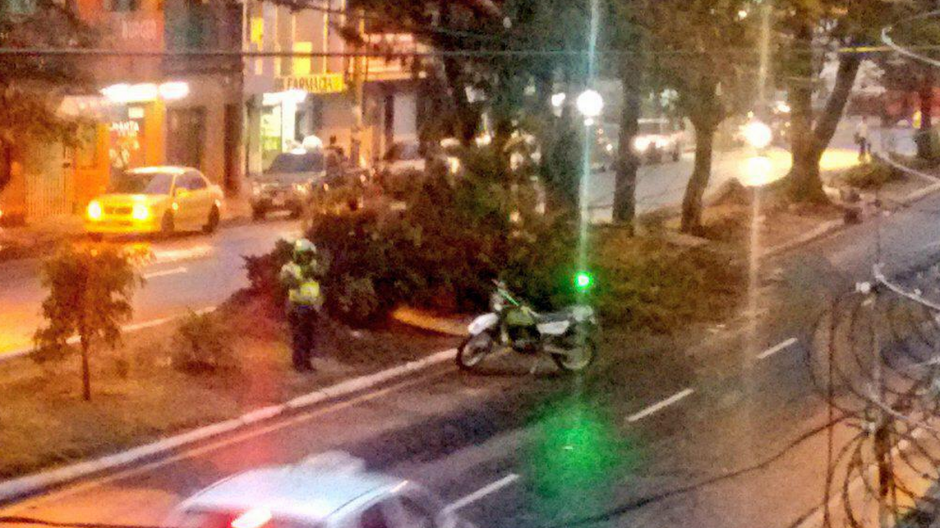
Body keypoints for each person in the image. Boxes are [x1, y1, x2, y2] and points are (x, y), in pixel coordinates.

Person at [279, 239, 325, 372]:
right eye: (305, 254)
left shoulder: (313, 266)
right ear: (298, 254)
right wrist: (302, 277)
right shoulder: (289, 268)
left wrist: (314, 272)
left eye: (309, 255)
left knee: (310, 337)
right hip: (297, 307)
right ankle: (298, 364)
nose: (307, 257)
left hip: (311, 307)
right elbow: (287, 282)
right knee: (299, 336)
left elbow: (321, 275)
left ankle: (307, 362)